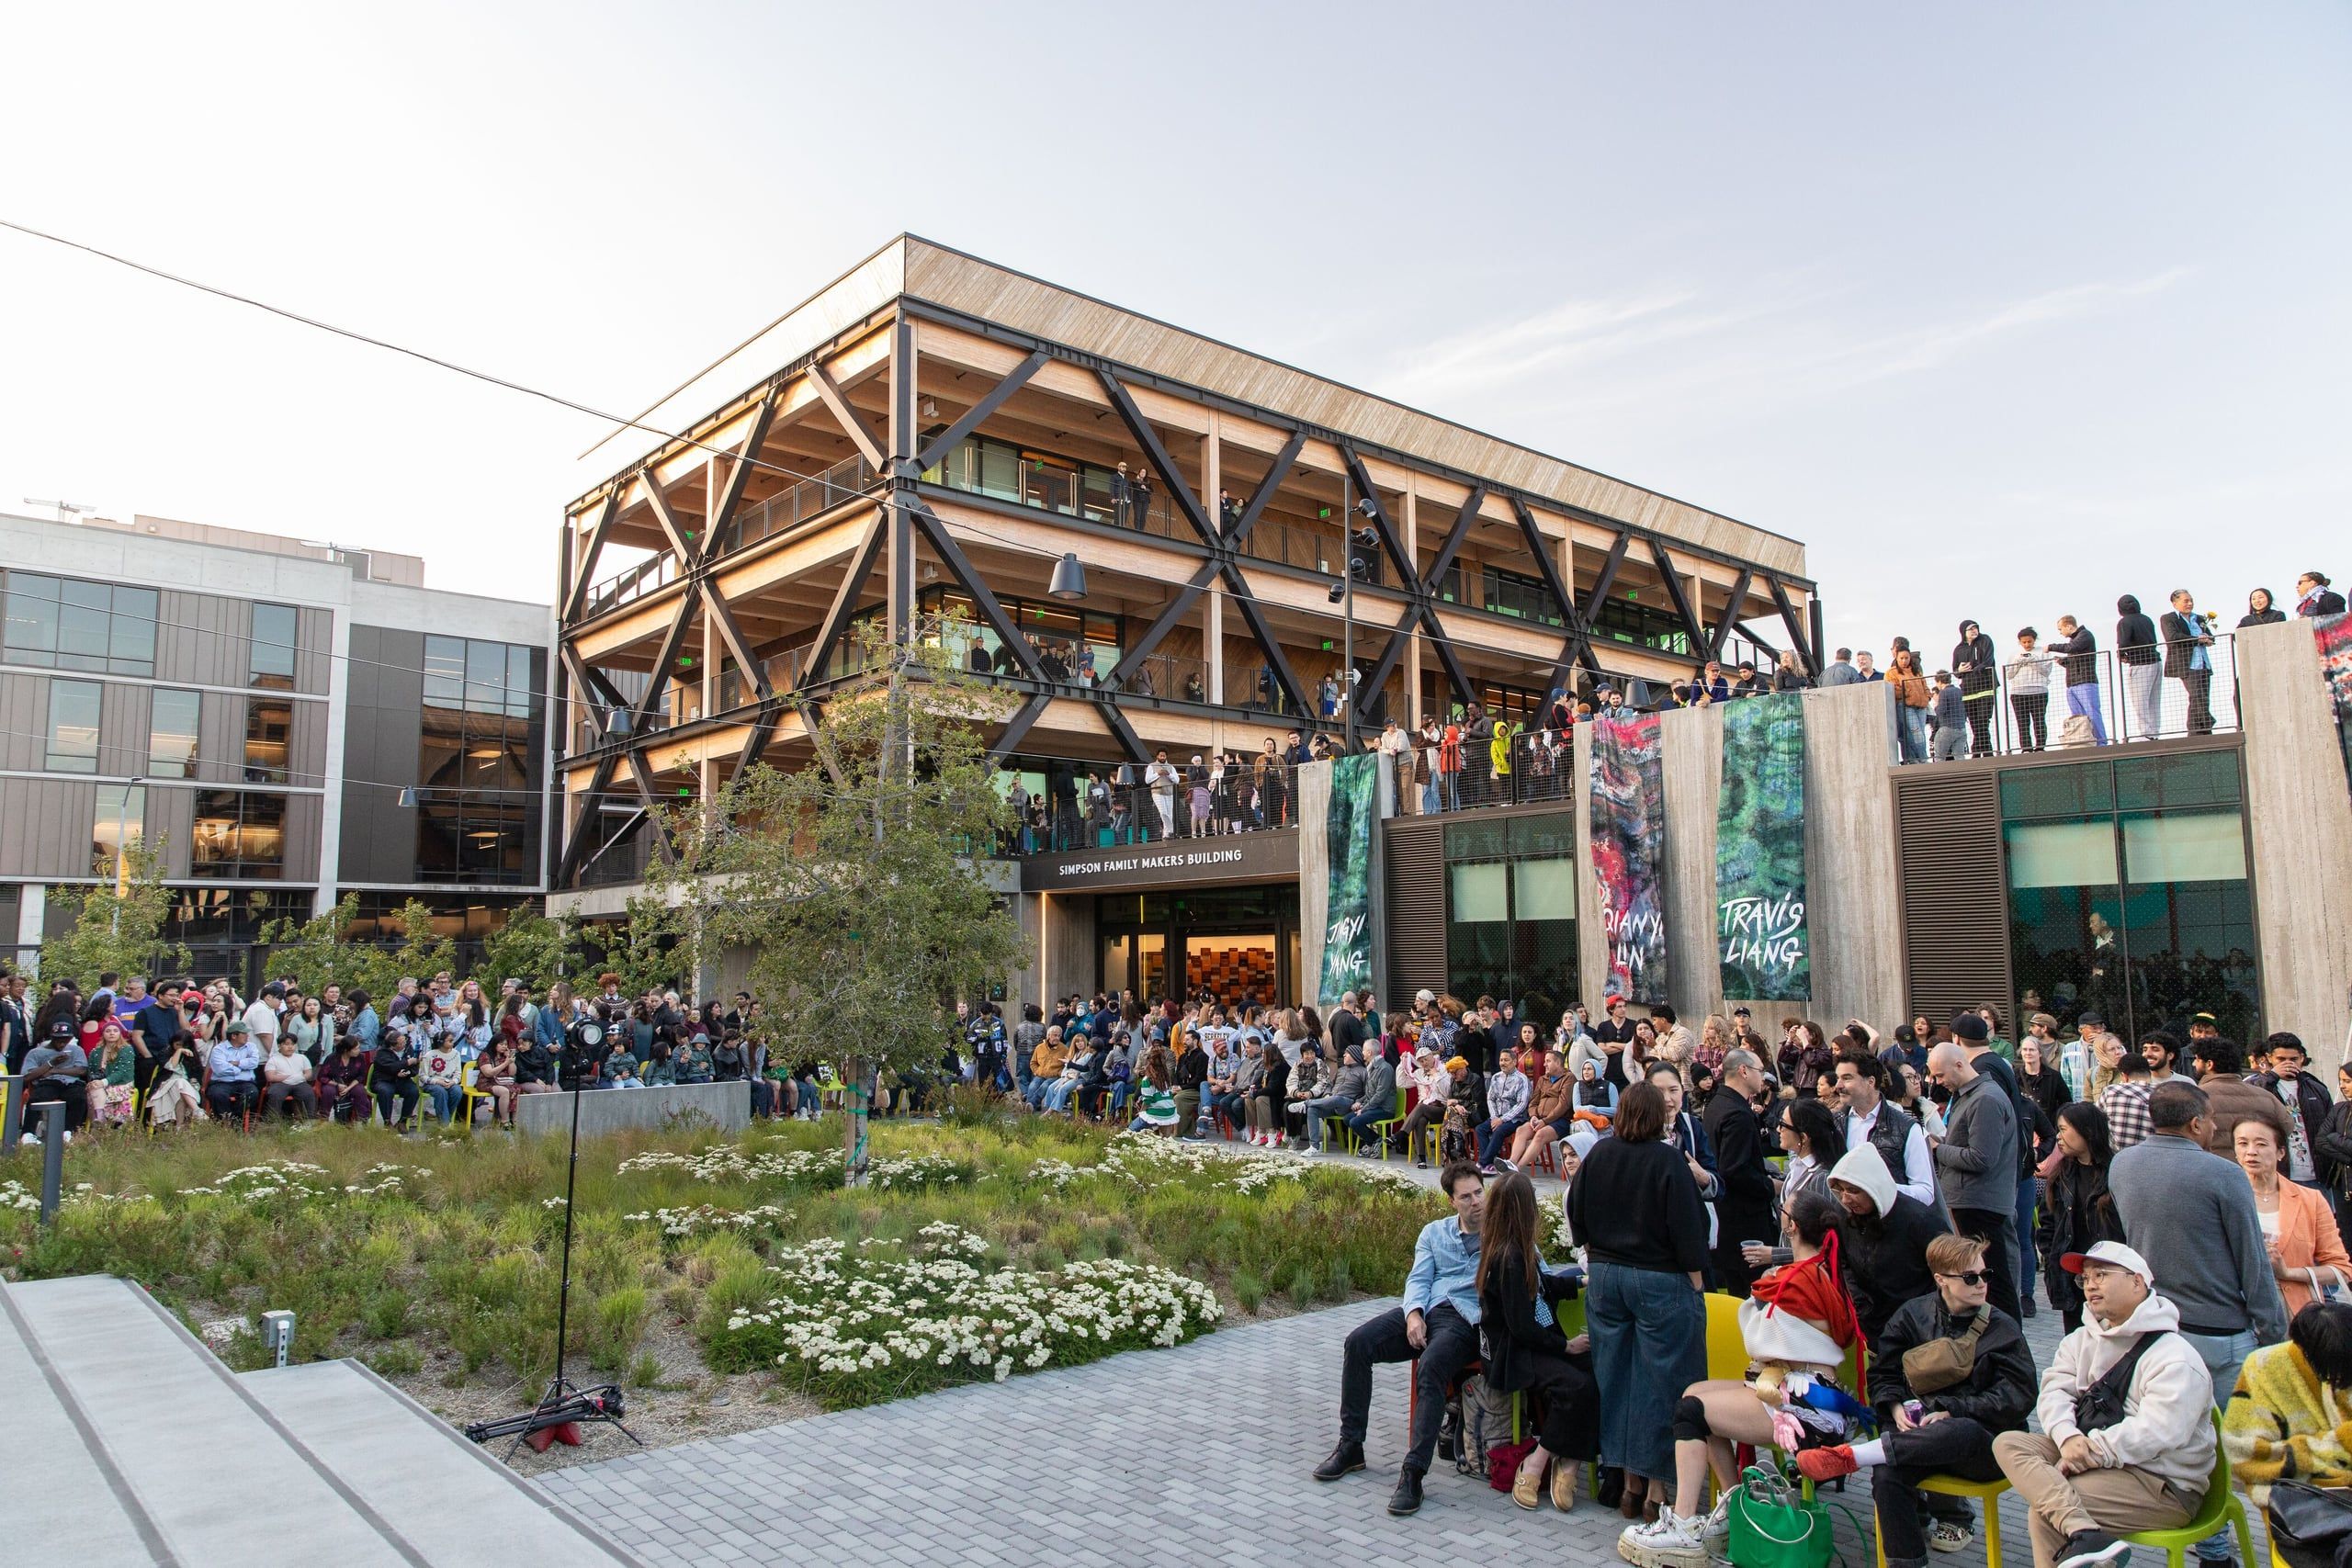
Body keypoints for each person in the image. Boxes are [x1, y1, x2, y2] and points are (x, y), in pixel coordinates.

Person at [1618, 1192, 1863, 1565]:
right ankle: (1735, 1508)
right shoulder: (1821, 1270)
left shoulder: (1795, 1281)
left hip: (1800, 1402)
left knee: (1690, 1410)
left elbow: (1759, 1343)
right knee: (1695, 1394)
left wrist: (1763, 1294)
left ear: (1791, 1225)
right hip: (1810, 1391)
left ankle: (1684, 1525)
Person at [2110, 1077, 2289, 1549]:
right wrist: (2276, 1337)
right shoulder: (2223, 1174)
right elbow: (2254, 1265)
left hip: (2156, 1334)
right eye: (2211, 1121)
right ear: (2195, 1123)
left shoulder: (2123, 1165)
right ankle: (2278, 1545)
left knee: (2184, 1447)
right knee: (2250, 1452)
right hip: (2223, 1336)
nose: (2217, 1129)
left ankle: (2212, 1550)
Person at [1797, 1232, 2039, 1568]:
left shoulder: (2003, 1328)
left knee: (1960, 1430)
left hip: (1987, 1446)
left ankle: (1855, 1455)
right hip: (1917, 1440)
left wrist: (1950, 1409)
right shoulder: (1913, 1315)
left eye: (1986, 1275)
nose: (1982, 1284)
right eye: (1971, 1277)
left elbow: (2019, 1397)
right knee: (1887, 1475)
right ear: (1941, 1279)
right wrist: (1895, 1407)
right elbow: (1884, 1374)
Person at [1991, 1241, 2216, 1568]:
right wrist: (2067, 1438)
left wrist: (2089, 1452)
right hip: (2090, 1453)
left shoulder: (2175, 1357)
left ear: (2137, 1281)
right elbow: (2054, 1393)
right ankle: (2085, 1534)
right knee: (2009, 1443)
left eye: (2102, 1274)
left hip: (2161, 1483)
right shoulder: (2079, 1340)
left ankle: (2086, 1539)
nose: (2091, 1284)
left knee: (2048, 1510)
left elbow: (2158, 1431)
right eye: (2085, 1278)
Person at [1566, 1081, 1709, 1524]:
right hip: (1659, 1278)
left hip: (1606, 1277)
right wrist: (1697, 1282)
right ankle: (1657, 1489)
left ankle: (1627, 1482)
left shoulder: (1601, 1155)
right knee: (1665, 1381)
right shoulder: (1667, 1160)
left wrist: (1592, 1247)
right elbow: (1691, 1227)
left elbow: (1576, 1211)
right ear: (1656, 1116)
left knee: (1616, 1378)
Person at [1314, 1162, 1489, 1517]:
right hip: (1425, 1311)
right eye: (1466, 1196)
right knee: (1358, 1343)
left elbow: (1540, 1272)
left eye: (1479, 1193)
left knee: (1431, 1366)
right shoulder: (1434, 1233)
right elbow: (1418, 1280)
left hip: (1465, 1321)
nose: (1475, 1202)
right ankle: (1351, 1446)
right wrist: (1413, 1314)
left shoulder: (1503, 1233)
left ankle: (1413, 1474)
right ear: (1452, 1201)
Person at [1476, 1169, 1600, 1510]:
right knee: (1577, 1387)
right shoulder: (1509, 1258)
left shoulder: (1515, 1248)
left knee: (1600, 1373)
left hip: (1531, 1344)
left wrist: (1582, 1282)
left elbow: (1543, 1286)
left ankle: (1569, 1463)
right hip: (1515, 1353)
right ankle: (1541, 1461)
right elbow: (1521, 1327)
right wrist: (1565, 1346)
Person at [2221, 1301, 2352, 1506]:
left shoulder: (2344, 1354)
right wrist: (2338, 1443)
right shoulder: (2265, 1368)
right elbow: (2243, 1453)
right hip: (2295, 1503)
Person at [1928, 1041, 2023, 1321]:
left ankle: (2010, 1351)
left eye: (1940, 1075)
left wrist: (1938, 1149)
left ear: (1959, 1065)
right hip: (1970, 1202)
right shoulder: (1970, 1096)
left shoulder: (1985, 1098)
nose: (1937, 1082)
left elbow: (1982, 1158)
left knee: (1995, 1287)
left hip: (1982, 1206)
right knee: (1982, 1287)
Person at [2233, 1113, 2350, 1317]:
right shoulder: (2225, 1197)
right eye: (2243, 1144)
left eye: (2261, 1144)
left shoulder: (2310, 1199)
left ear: (2281, 1152)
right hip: (2238, 1312)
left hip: (2297, 1312)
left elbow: (2341, 1269)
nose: (2251, 1152)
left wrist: (2287, 1272)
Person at [2046, 1103, 2126, 1333]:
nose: (2058, 1137)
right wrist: (2053, 1253)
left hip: (2108, 1272)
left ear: (2087, 1131)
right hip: (2072, 1275)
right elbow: (2049, 1221)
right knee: (2077, 1344)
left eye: (2064, 1129)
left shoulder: (2116, 1170)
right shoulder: (2061, 1173)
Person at [1706, 1049, 1779, 1296]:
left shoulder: (1717, 1104)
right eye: (1760, 1071)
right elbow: (1734, 1170)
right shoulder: (1736, 1113)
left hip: (1727, 1218)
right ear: (1744, 1071)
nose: (1764, 1078)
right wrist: (1771, 1186)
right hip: (1744, 1223)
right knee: (1753, 1295)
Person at [1835, 1047, 1938, 1210]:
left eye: (1847, 1078)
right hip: (1845, 1225)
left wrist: (1876, 1189)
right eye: (1837, 1078)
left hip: (1890, 1225)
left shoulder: (1906, 1127)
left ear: (1870, 1082)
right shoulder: (1834, 1124)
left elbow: (1925, 1193)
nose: (1838, 1086)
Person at [2251, 1033, 2333, 1194]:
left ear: (2301, 1058)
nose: (2288, 1064)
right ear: (2269, 1058)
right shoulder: (2260, 1085)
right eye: (2281, 1059)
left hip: (2317, 1174)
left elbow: (2330, 1126)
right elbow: (2253, 1104)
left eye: (2293, 1059)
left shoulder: (2316, 1087)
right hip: (2280, 1172)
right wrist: (2272, 1077)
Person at [2160, 591, 2218, 736]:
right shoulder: (2169, 618)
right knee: (2197, 696)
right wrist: (2197, 639)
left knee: (2201, 697)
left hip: (2203, 663)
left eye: (2191, 600)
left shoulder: (2198, 618)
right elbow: (2173, 637)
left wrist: (2208, 639)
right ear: (2175, 603)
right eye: (2186, 601)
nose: (2190, 604)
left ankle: (2198, 732)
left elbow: (2210, 635)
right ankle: (2207, 723)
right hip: (2188, 664)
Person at [2050, 615, 2108, 746]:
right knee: (2078, 717)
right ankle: (2084, 742)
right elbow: (2075, 658)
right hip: (2072, 684)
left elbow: (2071, 648)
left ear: (2068, 626)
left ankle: (2101, 742)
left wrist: (2051, 647)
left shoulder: (2085, 635)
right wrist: (2063, 662)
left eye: (2060, 629)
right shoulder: (2075, 640)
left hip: (2086, 682)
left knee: (2092, 713)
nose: (2060, 632)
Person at [204, 1019, 264, 1122]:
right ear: (234, 1036)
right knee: (217, 1094)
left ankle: (236, 1119)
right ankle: (225, 1121)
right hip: (221, 1082)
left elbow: (254, 1062)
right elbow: (220, 1069)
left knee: (252, 1093)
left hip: (245, 1082)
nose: (247, 1036)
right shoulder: (219, 1049)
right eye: (244, 1034)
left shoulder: (251, 1047)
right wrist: (241, 1068)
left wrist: (236, 1063)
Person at [2007, 626, 2054, 752]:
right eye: (2024, 642)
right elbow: (2009, 675)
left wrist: (2034, 661)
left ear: (2034, 640)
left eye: (2029, 641)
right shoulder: (2014, 655)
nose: (2027, 644)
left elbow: (2046, 672)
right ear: (2020, 642)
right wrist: (2018, 662)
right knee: (2022, 723)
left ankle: (2040, 747)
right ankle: (2026, 748)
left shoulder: (2043, 652)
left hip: (2038, 690)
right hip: (2018, 692)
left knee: (2039, 720)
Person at [1888, 648, 1933, 762]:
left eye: (1906, 658)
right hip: (1906, 705)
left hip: (1921, 706)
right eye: (1901, 658)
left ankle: (1914, 759)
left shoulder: (1916, 671)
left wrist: (1927, 697)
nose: (1904, 661)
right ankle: (1923, 758)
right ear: (1897, 659)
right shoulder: (1892, 672)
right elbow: (1893, 690)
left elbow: (1925, 686)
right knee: (1916, 731)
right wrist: (1908, 692)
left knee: (1918, 732)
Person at [261, 1034, 317, 1120]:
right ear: (279, 1046)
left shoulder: (302, 1057)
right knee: (275, 1094)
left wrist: (299, 1078)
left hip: (300, 1082)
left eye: (293, 1044)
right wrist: (290, 1077)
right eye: (287, 1044)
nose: (290, 1047)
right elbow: (270, 1077)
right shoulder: (274, 1059)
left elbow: (309, 1073)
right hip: (280, 1084)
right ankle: (273, 1121)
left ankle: (310, 1120)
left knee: (309, 1093)